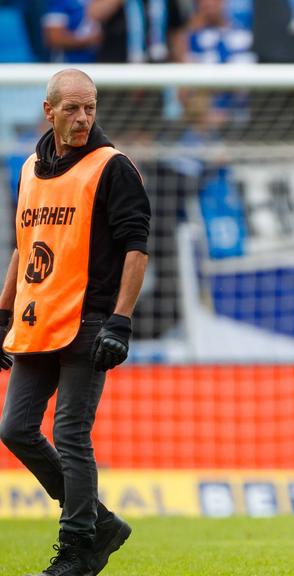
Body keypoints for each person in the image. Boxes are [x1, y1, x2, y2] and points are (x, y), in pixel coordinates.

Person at [0, 68, 150, 576]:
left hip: (89, 321)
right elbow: (23, 248)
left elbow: (137, 249)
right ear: (49, 111)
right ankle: (100, 522)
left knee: (70, 432)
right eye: (72, 109)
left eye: (90, 108)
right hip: (40, 320)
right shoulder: (27, 170)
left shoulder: (114, 167)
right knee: (16, 428)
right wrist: (3, 313)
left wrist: (120, 321)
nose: (83, 117)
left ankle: (79, 546)